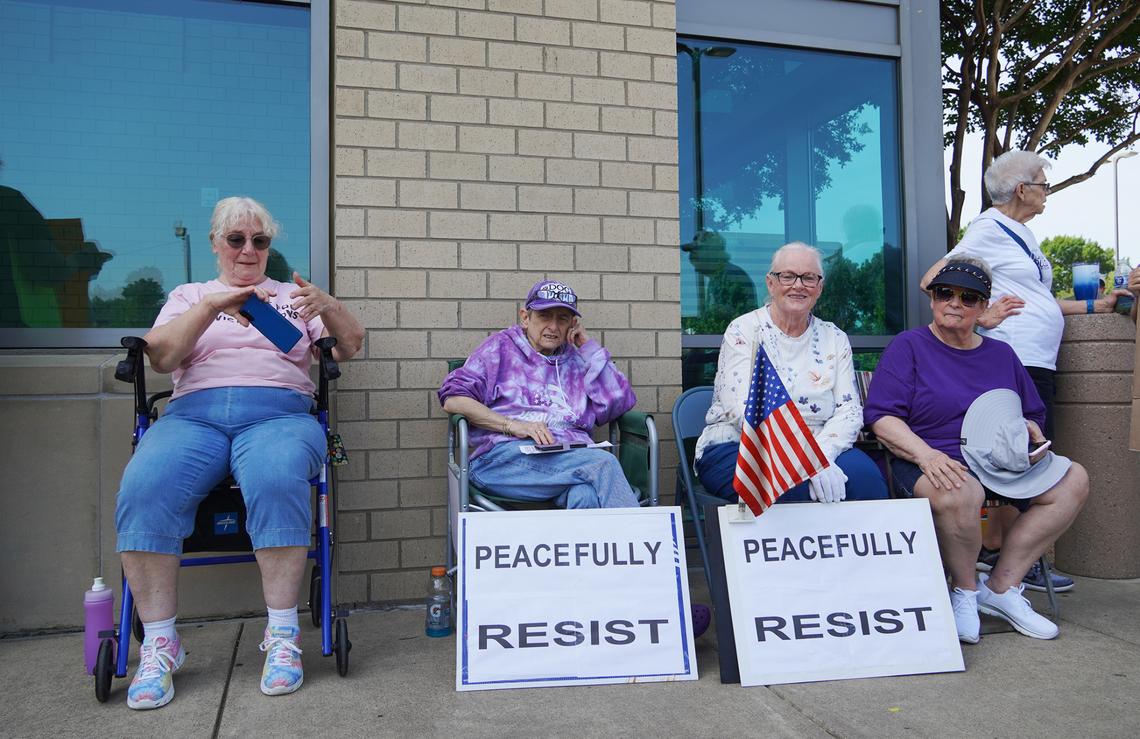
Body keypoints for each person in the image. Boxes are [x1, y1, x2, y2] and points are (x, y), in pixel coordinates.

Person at [114, 197, 363, 709]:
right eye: (236, 239)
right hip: (193, 416)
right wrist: (213, 307)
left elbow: (350, 346)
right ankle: (161, 643)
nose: (248, 249)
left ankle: (282, 637)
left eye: (260, 240)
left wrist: (329, 305)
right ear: (216, 244)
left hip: (279, 415)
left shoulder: (294, 298)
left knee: (277, 475)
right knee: (144, 486)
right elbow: (161, 357)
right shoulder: (189, 294)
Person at [920, 150, 1126, 593]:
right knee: (1015, 461)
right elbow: (934, 279)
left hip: (1037, 359)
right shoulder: (988, 229)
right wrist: (981, 315)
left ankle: (1008, 556)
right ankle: (1003, 557)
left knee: (1023, 459)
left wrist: (1095, 305)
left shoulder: (1021, 234)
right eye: (1043, 184)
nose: (1046, 192)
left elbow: (1037, 300)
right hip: (1015, 357)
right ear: (1021, 189)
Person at [866, 257, 1089, 642]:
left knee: (1074, 479)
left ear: (984, 308)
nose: (955, 302)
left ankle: (1001, 587)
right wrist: (926, 455)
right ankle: (965, 592)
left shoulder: (1001, 355)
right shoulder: (910, 346)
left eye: (968, 298)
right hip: (929, 458)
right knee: (960, 489)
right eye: (945, 293)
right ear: (933, 299)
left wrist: (1028, 431)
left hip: (997, 462)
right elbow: (882, 418)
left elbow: (1032, 412)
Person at [694, 242, 888, 504]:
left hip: (821, 443)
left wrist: (822, 456)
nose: (798, 285)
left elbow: (849, 410)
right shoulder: (744, 331)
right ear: (771, 283)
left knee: (868, 482)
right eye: (788, 276)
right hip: (742, 444)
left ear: (819, 288)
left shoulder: (835, 337)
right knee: (792, 490)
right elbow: (741, 409)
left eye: (809, 277)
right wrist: (808, 463)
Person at [438, 279, 641, 509]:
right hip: (504, 462)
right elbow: (454, 400)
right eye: (545, 316)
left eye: (562, 319)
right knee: (604, 464)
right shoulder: (500, 349)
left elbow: (619, 403)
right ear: (525, 317)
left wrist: (587, 347)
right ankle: (645, 539)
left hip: (569, 463)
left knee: (585, 495)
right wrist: (513, 425)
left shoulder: (578, 359)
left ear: (573, 324)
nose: (553, 327)